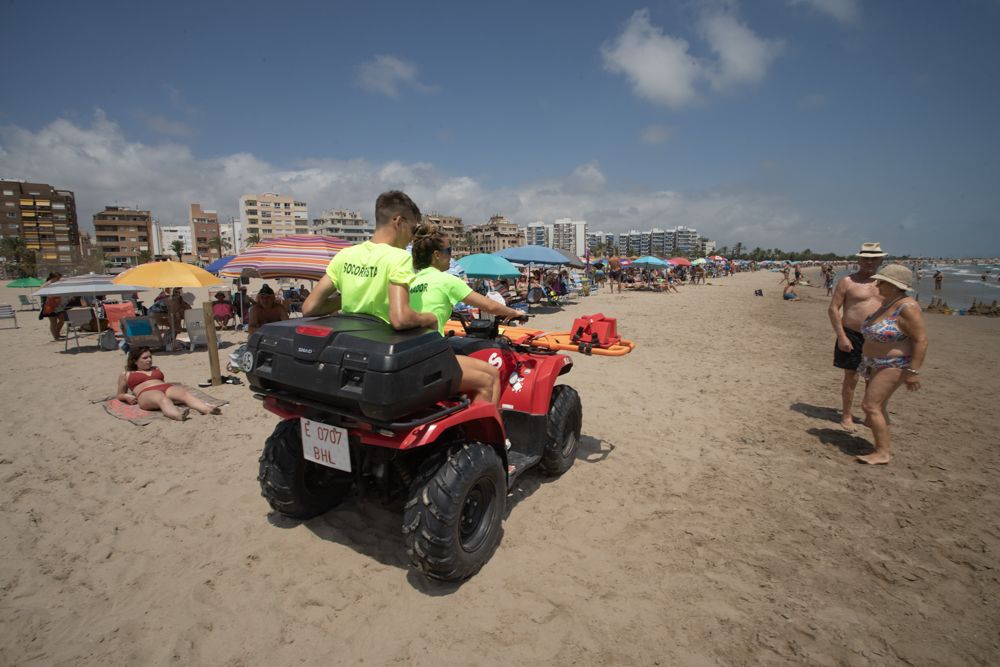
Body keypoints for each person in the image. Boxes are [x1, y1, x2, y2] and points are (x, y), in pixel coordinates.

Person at [408, 223, 526, 403]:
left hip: (412, 353)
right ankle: (485, 430)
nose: (452, 255)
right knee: (491, 377)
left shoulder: (412, 280)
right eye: (449, 250)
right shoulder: (446, 280)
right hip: (431, 356)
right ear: (436, 255)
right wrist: (513, 312)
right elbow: (490, 306)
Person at [302, 190, 436, 332]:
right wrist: (430, 318)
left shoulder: (345, 255)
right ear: (399, 222)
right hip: (382, 345)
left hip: (349, 342)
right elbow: (400, 318)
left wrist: (354, 298)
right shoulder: (399, 257)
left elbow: (309, 307)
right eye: (413, 229)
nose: (412, 237)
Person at [856, 264, 928, 464]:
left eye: (882, 282)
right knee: (876, 407)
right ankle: (881, 447)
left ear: (896, 286)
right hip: (875, 363)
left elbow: (921, 340)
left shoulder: (908, 307)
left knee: (871, 406)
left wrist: (913, 371)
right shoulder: (888, 303)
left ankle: (882, 452)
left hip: (893, 364)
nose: (877, 285)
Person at [828, 242, 887, 432]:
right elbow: (833, 309)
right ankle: (846, 415)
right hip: (852, 335)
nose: (870, 262)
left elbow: (896, 308)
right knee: (851, 377)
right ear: (859, 260)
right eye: (866, 258)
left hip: (876, 338)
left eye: (874, 258)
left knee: (873, 378)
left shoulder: (885, 283)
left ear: (880, 260)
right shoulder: (848, 282)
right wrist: (842, 336)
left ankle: (871, 414)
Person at [116, 347, 221, 421]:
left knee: (184, 394)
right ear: (135, 361)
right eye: (145, 358)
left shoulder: (156, 369)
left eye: (150, 357)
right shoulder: (127, 374)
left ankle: (207, 409)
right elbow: (119, 394)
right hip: (146, 392)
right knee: (161, 398)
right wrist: (126, 396)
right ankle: (178, 415)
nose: (149, 360)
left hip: (165, 387)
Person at [39, 272, 65, 340]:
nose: (59, 279)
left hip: (58, 305)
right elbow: (41, 290)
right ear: (54, 277)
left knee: (62, 320)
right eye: (58, 278)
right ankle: (55, 337)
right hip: (49, 306)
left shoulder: (56, 283)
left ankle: (57, 333)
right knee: (53, 322)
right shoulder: (48, 283)